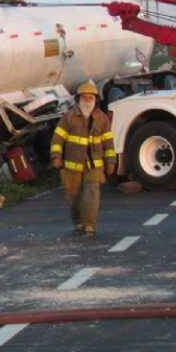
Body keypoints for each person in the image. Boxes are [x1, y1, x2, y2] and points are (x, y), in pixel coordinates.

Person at [50, 81, 116, 236]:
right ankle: (79, 222)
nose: (87, 101)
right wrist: (56, 157)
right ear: (78, 99)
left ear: (95, 100)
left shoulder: (102, 119)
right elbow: (57, 140)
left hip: (94, 166)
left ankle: (90, 226)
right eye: (84, 98)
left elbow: (109, 143)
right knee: (72, 197)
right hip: (73, 166)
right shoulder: (68, 118)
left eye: (90, 98)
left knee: (92, 194)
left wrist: (110, 162)